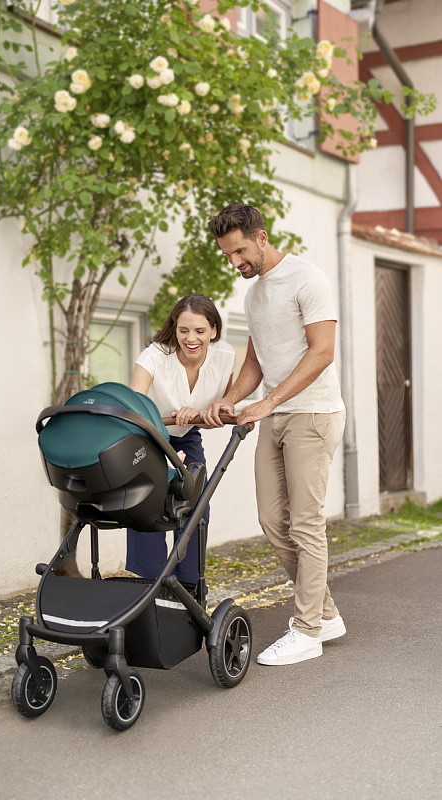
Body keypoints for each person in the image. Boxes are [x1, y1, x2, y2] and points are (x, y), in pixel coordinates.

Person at [204, 203, 346, 665]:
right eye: (228, 255)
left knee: (305, 523)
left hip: (313, 414)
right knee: (271, 520)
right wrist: (231, 398)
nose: (235, 262)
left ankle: (307, 631)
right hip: (276, 416)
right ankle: (325, 614)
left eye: (240, 251)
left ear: (261, 237)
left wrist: (267, 402)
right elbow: (256, 361)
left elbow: (322, 352)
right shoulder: (254, 294)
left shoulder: (308, 279)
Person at [126, 294, 235, 585]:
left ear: (213, 330)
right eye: (183, 330)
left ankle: (189, 584)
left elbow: (220, 413)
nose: (191, 338)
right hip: (148, 436)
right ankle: (150, 583)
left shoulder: (225, 356)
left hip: (186, 436)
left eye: (200, 330)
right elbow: (134, 407)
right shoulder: (154, 356)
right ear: (174, 328)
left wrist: (198, 415)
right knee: (148, 504)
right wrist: (163, 450)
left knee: (196, 505)